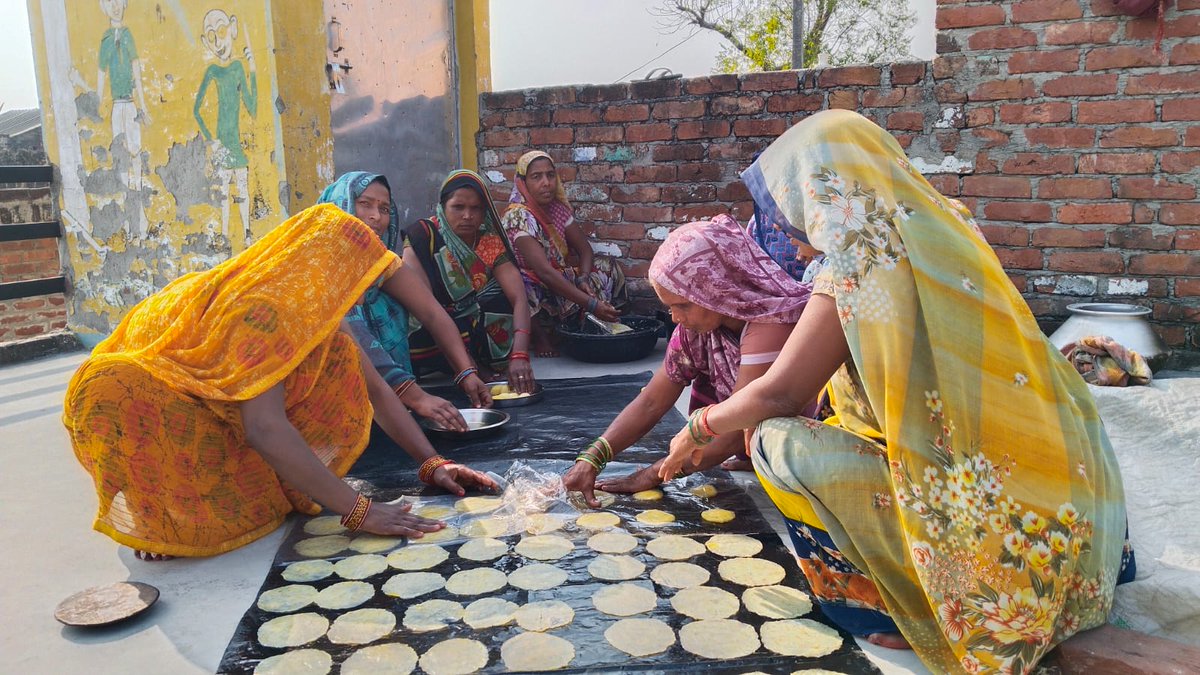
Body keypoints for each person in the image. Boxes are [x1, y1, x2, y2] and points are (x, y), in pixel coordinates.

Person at [659, 110, 1135, 673]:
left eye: (791, 204)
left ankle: (913, 602)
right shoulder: (947, 228)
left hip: (993, 528)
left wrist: (697, 427)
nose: (788, 227)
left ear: (826, 190)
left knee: (774, 441)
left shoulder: (863, 260)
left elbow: (779, 395)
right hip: (1073, 501)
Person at [64, 204, 496, 560]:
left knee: (339, 357)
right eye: (361, 275)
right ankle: (156, 514)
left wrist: (432, 463)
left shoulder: (311, 302)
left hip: (204, 399)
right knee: (121, 396)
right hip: (143, 397)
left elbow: (377, 391)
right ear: (326, 268)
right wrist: (360, 511)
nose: (367, 290)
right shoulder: (267, 310)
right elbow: (263, 428)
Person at [563, 214, 814, 507]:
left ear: (718, 288)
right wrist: (594, 457)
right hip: (748, 426)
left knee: (755, 429)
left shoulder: (770, 325)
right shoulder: (696, 329)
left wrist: (652, 474)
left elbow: (738, 422)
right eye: (669, 307)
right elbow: (652, 401)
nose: (675, 318)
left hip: (812, 441)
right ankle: (757, 453)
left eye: (683, 305)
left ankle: (768, 456)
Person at [318, 172, 493, 433]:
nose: (376, 216)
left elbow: (432, 312)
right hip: (326, 402)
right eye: (365, 204)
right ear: (340, 204)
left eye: (384, 208)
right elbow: (357, 338)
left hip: (386, 391)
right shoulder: (319, 262)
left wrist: (466, 372)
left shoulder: (381, 262)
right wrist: (415, 396)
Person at [404, 170, 535, 392]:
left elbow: (519, 298)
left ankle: (479, 361)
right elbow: (423, 305)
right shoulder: (423, 236)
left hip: (471, 326)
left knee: (500, 299)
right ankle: (463, 365)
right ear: (443, 207)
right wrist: (468, 367)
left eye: (476, 209)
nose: (467, 216)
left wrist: (520, 355)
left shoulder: (487, 241)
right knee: (444, 320)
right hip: (432, 325)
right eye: (458, 207)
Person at [501, 150, 627, 356]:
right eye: (536, 176)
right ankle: (540, 337)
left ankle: (588, 322)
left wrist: (583, 278)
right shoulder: (518, 215)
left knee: (608, 266)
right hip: (536, 283)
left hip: (558, 276)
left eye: (550, 175)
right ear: (522, 182)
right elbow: (543, 271)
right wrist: (591, 303)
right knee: (522, 282)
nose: (546, 182)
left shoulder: (557, 209)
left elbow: (585, 250)